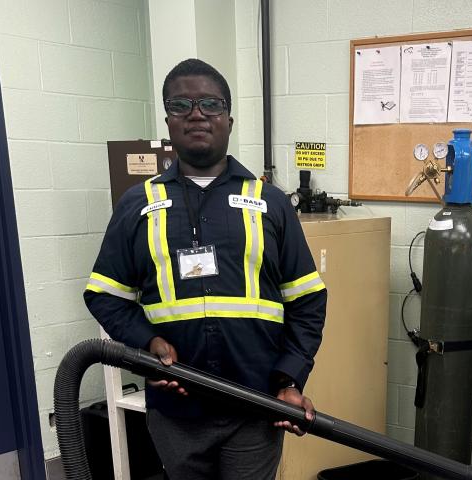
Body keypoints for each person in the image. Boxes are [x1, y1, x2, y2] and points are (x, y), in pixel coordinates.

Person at [84, 58, 327, 480]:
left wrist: (290, 379)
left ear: (229, 119)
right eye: (181, 104)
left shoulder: (270, 202)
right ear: (167, 120)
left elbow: (308, 300)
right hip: (176, 410)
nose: (196, 113)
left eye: (210, 103)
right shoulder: (137, 205)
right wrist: (149, 342)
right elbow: (105, 294)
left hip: (255, 406)